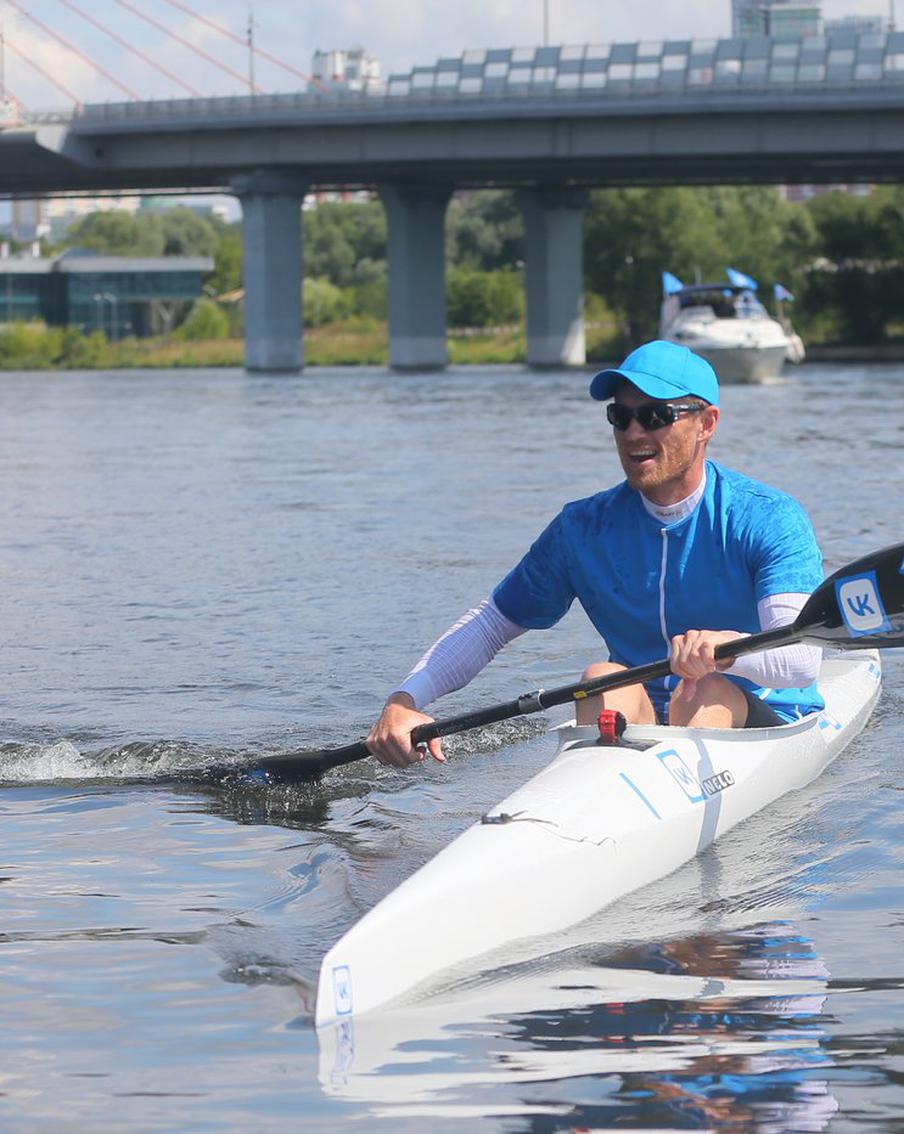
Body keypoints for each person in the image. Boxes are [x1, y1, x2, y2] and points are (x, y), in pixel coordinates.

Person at [367, 339, 823, 769]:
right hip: (642, 707)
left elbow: (802, 661)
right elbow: (489, 625)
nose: (633, 431)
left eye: (655, 414)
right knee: (601, 677)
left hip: (756, 712)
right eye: (619, 416)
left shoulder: (768, 518)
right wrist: (404, 701)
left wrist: (727, 650)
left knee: (701, 687)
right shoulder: (582, 528)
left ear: (706, 424)